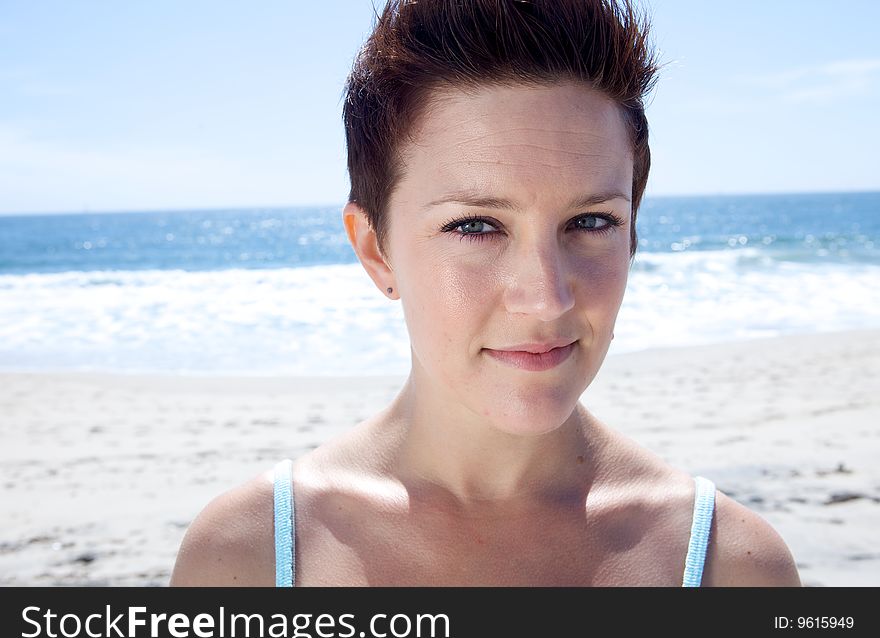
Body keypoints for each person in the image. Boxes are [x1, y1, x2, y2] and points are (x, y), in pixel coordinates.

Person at [170, 0, 801, 587]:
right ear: (374, 249)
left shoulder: (731, 567)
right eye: (476, 226)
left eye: (590, 222)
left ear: (632, 232)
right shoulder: (249, 556)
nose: (545, 297)